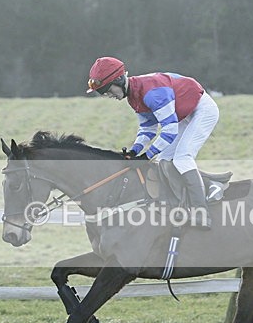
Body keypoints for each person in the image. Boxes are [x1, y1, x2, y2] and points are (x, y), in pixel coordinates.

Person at [86, 56, 219, 229]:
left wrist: (146, 156)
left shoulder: (151, 93)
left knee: (182, 158)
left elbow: (169, 131)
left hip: (202, 110)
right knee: (164, 159)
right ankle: (184, 201)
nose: (108, 95)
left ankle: (202, 210)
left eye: (108, 90)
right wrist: (134, 152)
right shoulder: (133, 96)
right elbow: (148, 129)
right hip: (183, 114)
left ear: (119, 80)